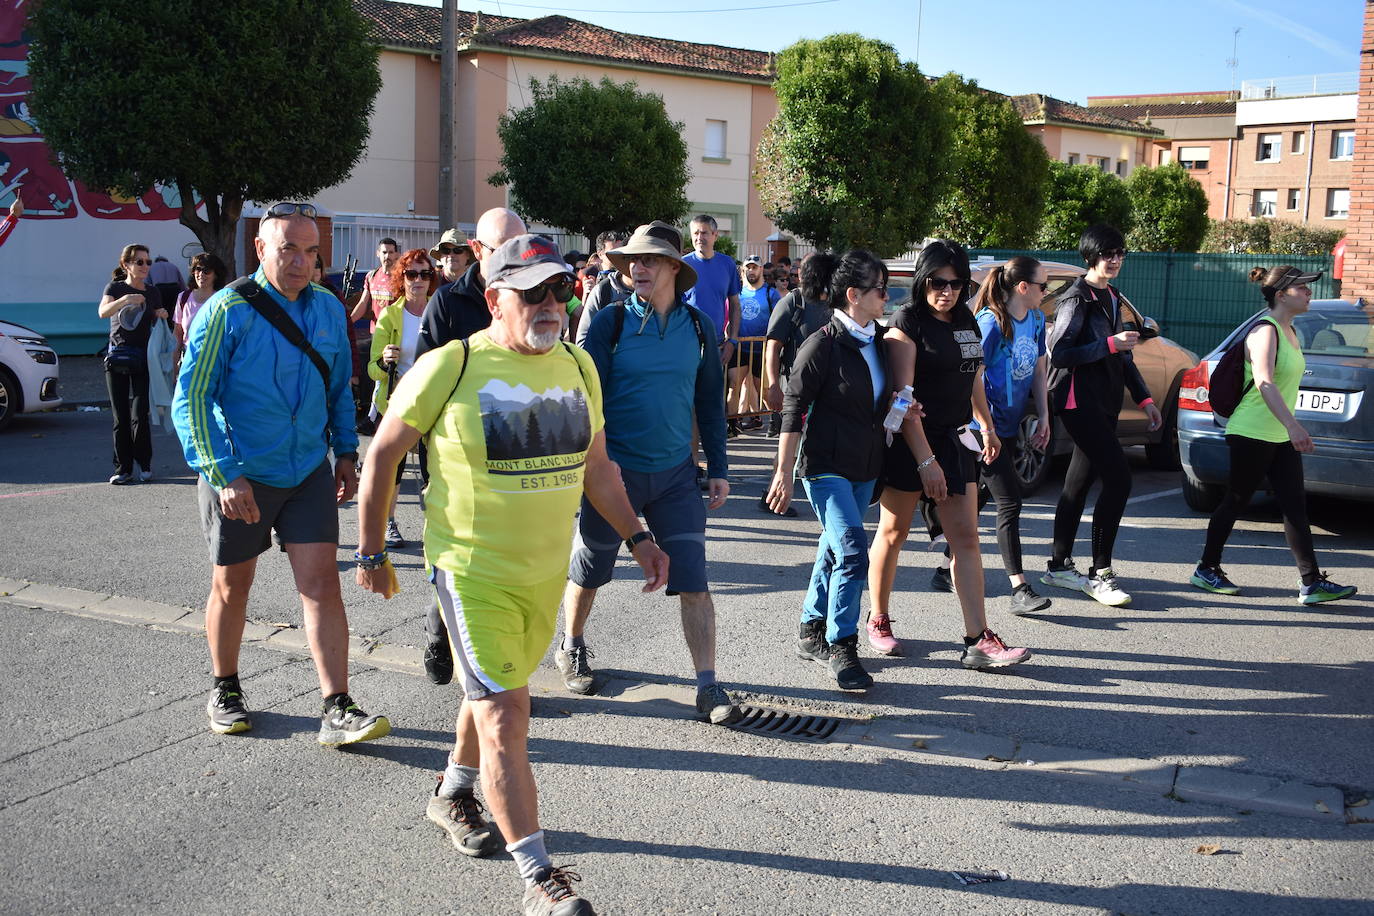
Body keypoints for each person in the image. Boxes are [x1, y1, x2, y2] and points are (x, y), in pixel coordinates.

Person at [356, 234, 667, 916]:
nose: (549, 304)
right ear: (494, 299)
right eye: (531, 293)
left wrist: (637, 535)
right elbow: (381, 458)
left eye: (557, 290)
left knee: (491, 691)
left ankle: (451, 791)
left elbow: (596, 466)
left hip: (543, 575)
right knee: (505, 714)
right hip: (470, 572)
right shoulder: (452, 364)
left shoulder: (580, 365)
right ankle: (539, 877)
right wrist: (372, 552)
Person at [172, 201, 389, 746]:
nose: (300, 262)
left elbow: (340, 386)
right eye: (288, 248)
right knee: (232, 584)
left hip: (306, 472)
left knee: (321, 586)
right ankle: (225, 688)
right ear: (260, 248)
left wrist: (344, 451)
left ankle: (337, 706)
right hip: (241, 473)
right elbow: (191, 399)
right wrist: (223, 472)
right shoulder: (227, 310)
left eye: (311, 251)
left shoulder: (325, 307)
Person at [559, 221, 741, 725]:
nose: (637, 267)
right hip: (613, 475)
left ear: (674, 269)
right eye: (632, 260)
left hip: (677, 475)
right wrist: (590, 465)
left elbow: (709, 403)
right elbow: (583, 398)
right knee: (592, 569)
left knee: (695, 579)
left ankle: (708, 684)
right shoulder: (609, 324)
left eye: (649, 260)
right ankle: (572, 644)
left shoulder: (702, 327)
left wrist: (719, 467)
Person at [868, 240, 1032, 668]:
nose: (949, 291)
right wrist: (926, 461)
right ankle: (878, 619)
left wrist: (987, 425)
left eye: (957, 283)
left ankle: (977, 639)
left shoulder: (966, 320)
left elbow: (973, 377)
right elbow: (902, 401)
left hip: (959, 440)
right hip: (912, 442)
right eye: (939, 282)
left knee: (967, 540)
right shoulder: (906, 322)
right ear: (923, 278)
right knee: (893, 534)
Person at [766, 250, 894, 690]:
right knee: (854, 549)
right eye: (880, 288)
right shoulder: (821, 343)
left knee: (834, 548)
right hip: (824, 468)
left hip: (866, 466)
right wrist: (783, 472)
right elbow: (794, 409)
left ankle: (809, 629)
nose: (887, 295)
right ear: (854, 295)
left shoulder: (880, 340)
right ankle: (842, 646)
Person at [1191, 266, 1357, 605]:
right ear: (1281, 294)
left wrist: (1289, 427)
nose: (1309, 292)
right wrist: (1295, 426)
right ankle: (1206, 568)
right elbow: (1265, 382)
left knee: (1295, 505)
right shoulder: (1265, 331)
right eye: (1302, 288)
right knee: (1236, 500)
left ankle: (1311, 582)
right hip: (1252, 431)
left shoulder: (1290, 330)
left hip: (1278, 433)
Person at [414, 207, 528, 686]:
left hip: (517, 456)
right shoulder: (446, 305)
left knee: (510, 562)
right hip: (455, 460)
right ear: (478, 251)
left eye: (520, 244)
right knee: (456, 556)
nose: (516, 256)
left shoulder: (531, 292)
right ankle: (441, 627)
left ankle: (504, 670)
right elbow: (422, 390)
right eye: (504, 247)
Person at [1042, 225, 1162, 608]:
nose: (1114, 260)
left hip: (1105, 402)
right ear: (1091, 256)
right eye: (1108, 253)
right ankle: (1101, 572)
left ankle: (1059, 565)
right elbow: (1060, 352)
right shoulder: (1077, 298)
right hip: (1079, 403)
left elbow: (1123, 356)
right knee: (1120, 479)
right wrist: (1109, 343)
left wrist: (1145, 400)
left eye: (1119, 253)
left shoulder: (1112, 296)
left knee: (1078, 483)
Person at [968, 257, 1054, 615]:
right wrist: (986, 427)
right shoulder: (990, 322)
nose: (1046, 292)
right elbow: (970, 377)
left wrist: (1044, 415)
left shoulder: (1035, 319)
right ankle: (1020, 588)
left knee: (981, 498)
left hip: (1007, 425)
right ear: (1023, 287)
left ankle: (945, 562)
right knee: (1010, 501)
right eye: (1043, 286)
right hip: (981, 428)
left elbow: (1037, 368)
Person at [369, 248, 439, 549]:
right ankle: (388, 522)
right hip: (397, 402)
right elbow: (373, 370)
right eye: (411, 274)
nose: (418, 280)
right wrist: (385, 361)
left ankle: (435, 526)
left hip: (434, 403)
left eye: (424, 274)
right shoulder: (391, 315)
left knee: (432, 469)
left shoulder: (439, 311)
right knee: (393, 468)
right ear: (402, 278)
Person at [97, 244, 167, 485]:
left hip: (143, 359)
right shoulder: (115, 288)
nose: (145, 266)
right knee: (121, 416)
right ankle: (123, 468)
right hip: (117, 357)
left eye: (148, 262)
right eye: (140, 262)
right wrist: (125, 299)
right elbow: (103, 312)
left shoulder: (153, 291)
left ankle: (145, 465)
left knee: (140, 414)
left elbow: (159, 315)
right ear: (126, 265)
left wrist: (162, 314)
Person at [681, 214, 741, 369]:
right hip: (686, 344)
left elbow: (734, 304)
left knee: (714, 393)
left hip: (717, 346)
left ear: (715, 235)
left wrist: (732, 341)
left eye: (704, 233)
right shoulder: (682, 265)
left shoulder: (727, 264)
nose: (699, 237)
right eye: (695, 233)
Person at [729, 255, 779, 433]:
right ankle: (732, 424)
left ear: (761, 270)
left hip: (762, 350)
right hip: (740, 347)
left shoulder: (770, 293)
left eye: (755, 267)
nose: (751, 271)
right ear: (743, 270)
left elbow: (779, 320)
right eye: (748, 267)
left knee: (764, 390)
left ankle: (776, 421)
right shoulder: (738, 293)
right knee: (734, 385)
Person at [573, 228, 638, 347]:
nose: (640, 267)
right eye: (614, 252)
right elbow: (583, 340)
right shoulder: (599, 287)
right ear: (600, 254)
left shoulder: (653, 292)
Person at [172, 252, 227, 357]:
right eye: (198, 269)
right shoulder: (183, 298)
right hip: (188, 359)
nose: (201, 274)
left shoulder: (223, 300)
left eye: (207, 271)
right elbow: (177, 334)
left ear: (216, 275)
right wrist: (174, 363)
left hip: (214, 359)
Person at [349, 236, 399, 327]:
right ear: (378, 253)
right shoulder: (371, 276)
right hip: (376, 332)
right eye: (384, 252)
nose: (387, 256)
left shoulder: (401, 278)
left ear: (396, 255)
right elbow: (363, 303)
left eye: (391, 252)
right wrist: (348, 323)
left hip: (395, 332)